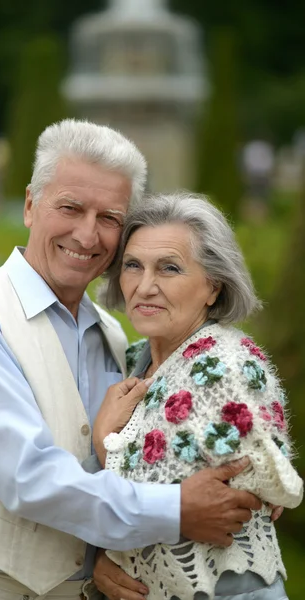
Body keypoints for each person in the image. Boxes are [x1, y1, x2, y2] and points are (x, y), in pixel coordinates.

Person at [0, 120, 263, 600]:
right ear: (28, 205)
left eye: (109, 218)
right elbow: (30, 480)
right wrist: (178, 509)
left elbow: (126, 465)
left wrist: (258, 485)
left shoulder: (114, 333)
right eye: (71, 208)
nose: (87, 234)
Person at [92, 191, 303, 600]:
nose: (145, 286)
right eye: (133, 266)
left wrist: (105, 444)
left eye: (169, 268)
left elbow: (230, 502)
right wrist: (105, 559)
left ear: (213, 286)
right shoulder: (135, 359)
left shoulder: (226, 365)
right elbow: (161, 502)